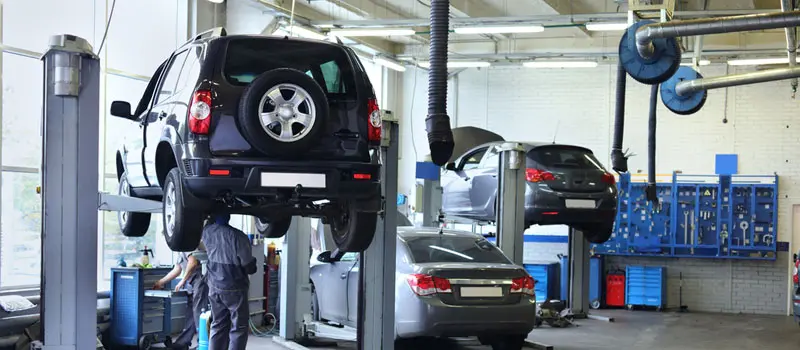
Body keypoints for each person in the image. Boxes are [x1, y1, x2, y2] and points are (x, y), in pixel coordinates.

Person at [203, 213, 257, 350]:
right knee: (238, 328)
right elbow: (247, 264)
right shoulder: (238, 236)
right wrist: (253, 266)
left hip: (214, 286)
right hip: (235, 288)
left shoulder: (207, 232)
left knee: (217, 324)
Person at [153, 243, 209, 350]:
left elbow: (193, 262)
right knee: (190, 315)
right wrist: (160, 282)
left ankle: (203, 345)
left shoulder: (188, 245)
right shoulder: (181, 249)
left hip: (200, 281)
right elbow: (177, 269)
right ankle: (183, 343)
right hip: (192, 282)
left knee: (199, 314)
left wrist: (182, 281)